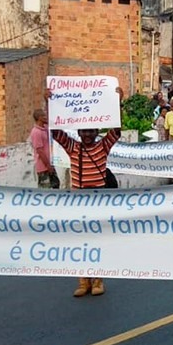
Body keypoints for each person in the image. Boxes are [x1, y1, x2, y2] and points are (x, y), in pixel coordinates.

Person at [48, 86, 123, 297]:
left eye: (91, 131)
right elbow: (55, 131)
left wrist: (118, 103)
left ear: (96, 132)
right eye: (84, 131)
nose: (88, 134)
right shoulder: (73, 147)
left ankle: (98, 280)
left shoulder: (103, 147)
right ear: (79, 133)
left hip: (99, 198)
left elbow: (116, 130)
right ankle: (83, 281)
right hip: (79, 200)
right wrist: (50, 103)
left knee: (97, 241)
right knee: (80, 242)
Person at [30, 109, 59, 189]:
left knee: (56, 185)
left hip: (50, 164)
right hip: (43, 166)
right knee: (45, 188)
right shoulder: (36, 132)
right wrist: (47, 165)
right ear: (39, 118)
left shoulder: (45, 128)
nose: (46, 117)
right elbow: (40, 150)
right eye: (43, 116)